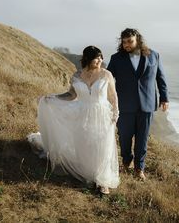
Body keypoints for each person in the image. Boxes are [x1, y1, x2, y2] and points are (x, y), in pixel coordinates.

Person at [28, 46, 120, 195]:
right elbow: (71, 95)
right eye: (97, 57)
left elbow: (113, 95)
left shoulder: (106, 74)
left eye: (101, 57)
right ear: (88, 58)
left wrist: (116, 113)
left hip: (102, 114)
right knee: (84, 141)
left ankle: (102, 181)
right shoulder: (77, 75)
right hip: (82, 113)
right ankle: (88, 172)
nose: (100, 60)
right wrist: (52, 98)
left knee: (102, 145)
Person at [107, 28, 169, 180]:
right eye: (124, 42)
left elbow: (160, 77)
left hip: (147, 105)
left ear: (138, 40)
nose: (127, 45)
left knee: (142, 139)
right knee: (124, 138)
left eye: (130, 41)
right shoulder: (116, 59)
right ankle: (126, 160)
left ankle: (139, 168)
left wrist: (164, 98)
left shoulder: (154, 55)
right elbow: (107, 79)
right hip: (125, 105)